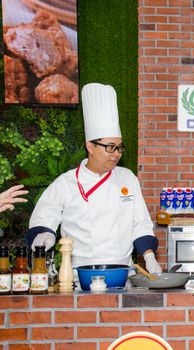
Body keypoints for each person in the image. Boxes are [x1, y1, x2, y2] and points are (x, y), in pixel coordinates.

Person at [26, 83, 162, 273]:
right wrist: (43, 235)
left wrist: (149, 256)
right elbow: (44, 218)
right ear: (91, 147)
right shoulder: (66, 183)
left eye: (119, 147)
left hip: (123, 272)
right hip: (78, 274)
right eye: (110, 147)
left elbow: (140, 224)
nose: (116, 154)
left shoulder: (127, 178)